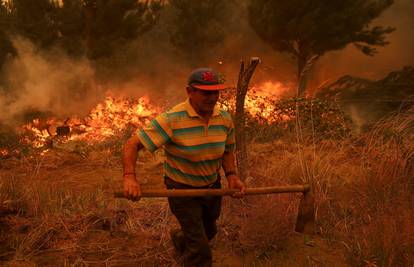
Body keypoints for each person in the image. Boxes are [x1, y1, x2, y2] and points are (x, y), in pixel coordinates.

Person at [122, 67, 246, 267]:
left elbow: (227, 150)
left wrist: (231, 175)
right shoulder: (173, 119)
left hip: (212, 187)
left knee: (209, 232)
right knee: (201, 251)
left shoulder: (224, 118)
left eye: (216, 92)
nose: (212, 97)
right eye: (206, 92)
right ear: (190, 92)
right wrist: (129, 177)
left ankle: (180, 238)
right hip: (182, 190)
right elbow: (132, 144)